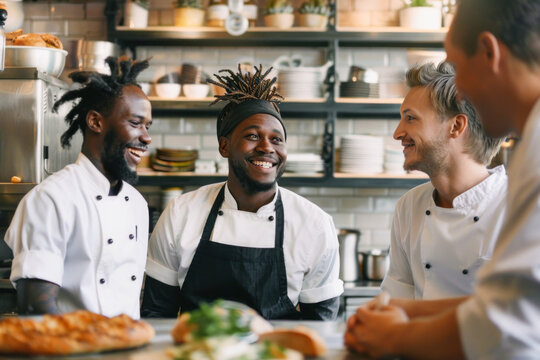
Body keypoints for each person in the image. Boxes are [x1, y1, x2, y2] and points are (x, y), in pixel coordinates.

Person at [345, 0, 540, 358]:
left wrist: (394, 336)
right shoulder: (411, 206)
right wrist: (389, 318)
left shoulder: (528, 169)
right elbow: (502, 303)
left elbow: (509, 322)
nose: (461, 92)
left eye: (458, 67)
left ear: (488, 52)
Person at [141, 65, 343, 320]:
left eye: (277, 139)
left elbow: (321, 324)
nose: (266, 147)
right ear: (224, 146)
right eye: (252, 135)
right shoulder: (181, 213)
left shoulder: (314, 224)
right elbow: (157, 313)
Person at [4, 57, 153, 319]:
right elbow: (36, 308)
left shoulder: (138, 204)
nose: (146, 137)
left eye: (148, 126)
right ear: (95, 122)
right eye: (135, 123)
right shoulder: (50, 199)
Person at [382, 61, 506, 300]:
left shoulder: (520, 208)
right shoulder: (409, 206)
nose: (397, 133)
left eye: (410, 118)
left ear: (456, 126)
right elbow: (397, 298)